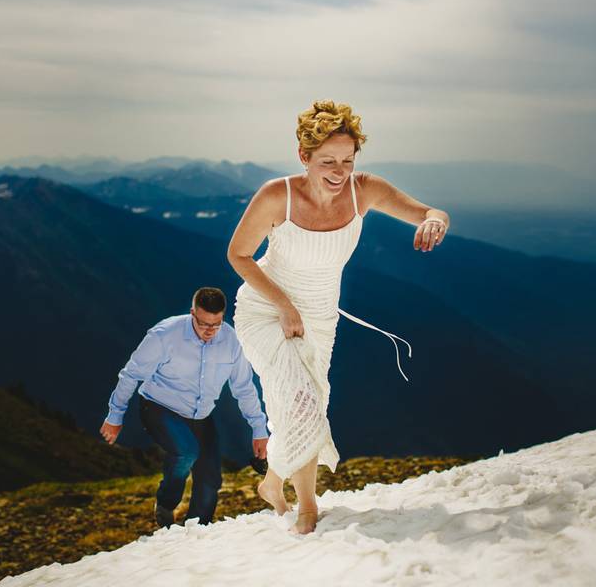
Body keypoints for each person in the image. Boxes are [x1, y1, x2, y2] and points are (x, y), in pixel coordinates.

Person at [227, 100, 450, 534]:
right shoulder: (278, 195)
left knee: (306, 403)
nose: (338, 170)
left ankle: (273, 483)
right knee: (302, 401)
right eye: (327, 160)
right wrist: (284, 305)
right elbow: (238, 255)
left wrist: (435, 223)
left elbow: (430, 211)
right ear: (304, 157)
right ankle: (308, 508)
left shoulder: (364, 190)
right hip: (266, 309)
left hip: (320, 318)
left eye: (347, 160)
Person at [99, 287, 269, 527]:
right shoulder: (164, 335)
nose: (210, 331)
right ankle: (166, 504)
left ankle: (196, 534)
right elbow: (131, 375)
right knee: (187, 451)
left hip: (201, 416)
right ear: (192, 313)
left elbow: (244, 387)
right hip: (159, 407)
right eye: (203, 324)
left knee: (210, 479)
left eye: (216, 324)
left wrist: (259, 430)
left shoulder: (231, 340)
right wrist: (115, 416)